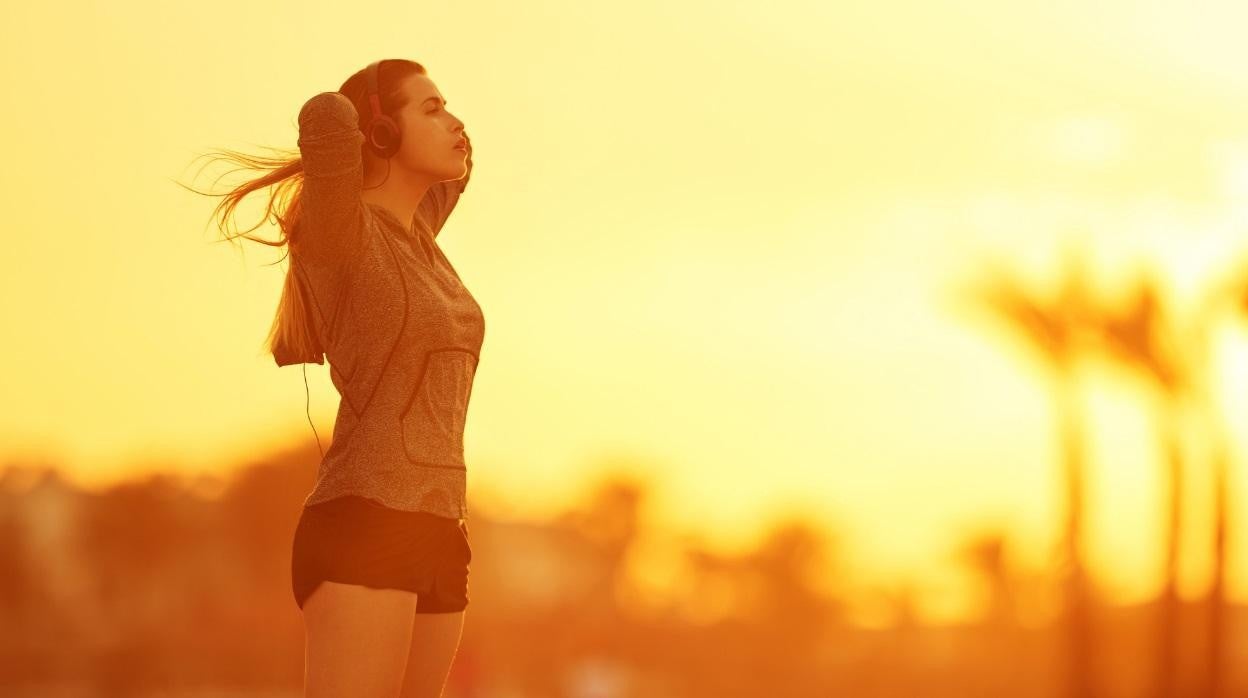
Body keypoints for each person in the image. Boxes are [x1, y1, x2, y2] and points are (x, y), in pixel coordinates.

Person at [191, 57, 481, 697]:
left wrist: (428, 124)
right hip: (365, 523)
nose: (455, 121)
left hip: (441, 528)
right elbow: (325, 117)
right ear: (378, 133)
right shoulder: (340, 235)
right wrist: (367, 119)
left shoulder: (423, 237)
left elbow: (466, 161)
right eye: (431, 108)